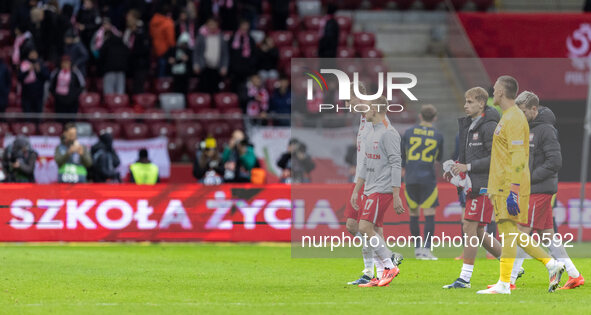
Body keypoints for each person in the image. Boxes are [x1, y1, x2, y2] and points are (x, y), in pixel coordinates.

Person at [477, 75, 565, 294]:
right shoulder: (508, 117)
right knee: (510, 234)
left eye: (495, 88)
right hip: (502, 184)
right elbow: (502, 156)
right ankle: (546, 267)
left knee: (509, 233)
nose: (493, 91)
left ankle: (508, 282)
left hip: (510, 185)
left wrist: (513, 190)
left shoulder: (514, 118)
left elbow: (518, 157)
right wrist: (491, 185)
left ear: (502, 92)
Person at [512, 91, 584, 290]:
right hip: (533, 188)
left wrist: (528, 179)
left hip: (539, 189)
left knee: (522, 232)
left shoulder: (546, 130)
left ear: (534, 109)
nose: (520, 115)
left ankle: (509, 281)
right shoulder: (528, 127)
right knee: (546, 235)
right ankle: (575, 275)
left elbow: (555, 162)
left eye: (523, 111)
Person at [443, 87, 503, 289]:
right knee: (477, 231)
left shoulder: (489, 126)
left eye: (469, 102)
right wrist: (456, 168)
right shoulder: (470, 125)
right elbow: (470, 156)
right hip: (473, 183)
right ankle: (510, 265)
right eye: (465, 101)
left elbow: (496, 157)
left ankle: (464, 279)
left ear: (481, 103)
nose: (465, 105)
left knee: (469, 225)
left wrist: (466, 167)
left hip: (485, 184)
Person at [350, 95, 405, 288]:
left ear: (375, 109)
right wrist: (357, 190)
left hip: (382, 188)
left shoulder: (389, 133)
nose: (365, 109)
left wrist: (396, 194)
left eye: (368, 107)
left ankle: (390, 266)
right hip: (369, 187)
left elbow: (396, 164)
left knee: (364, 228)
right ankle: (381, 274)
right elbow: (365, 163)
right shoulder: (371, 131)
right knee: (376, 231)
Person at [401, 104, 444, 260]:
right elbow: (438, 159)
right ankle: (426, 250)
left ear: (420, 116)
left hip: (410, 177)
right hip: (428, 178)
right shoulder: (438, 135)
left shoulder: (408, 132)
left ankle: (417, 249)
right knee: (429, 214)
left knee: (413, 213)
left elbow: (402, 156)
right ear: (435, 118)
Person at [193, 18, 228, 94]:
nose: (212, 26)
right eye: (210, 24)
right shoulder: (201, 36)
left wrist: (224, 66)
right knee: (203, 89)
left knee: (215, 90)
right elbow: (196, 52)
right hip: (204, 67)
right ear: (207, 25)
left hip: (217, 67)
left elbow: (225, 54)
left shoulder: (221, 37)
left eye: (214, 24)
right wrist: (196, 64)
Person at [123, 9, 151, 94]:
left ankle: (138, 105)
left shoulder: (142, 30)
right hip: (130, 63)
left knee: (138, 87)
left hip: (140, 64)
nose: (127, 18)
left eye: (129, 16)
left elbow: (145, 48)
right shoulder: (128, 30)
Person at [49, 55, 85, 121]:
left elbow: (81, 86)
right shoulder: (56, 72)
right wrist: (57, 96)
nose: (65, 64)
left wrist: (73, 96)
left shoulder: (75, 72)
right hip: (59, 101)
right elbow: (51, 86)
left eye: (67, 63)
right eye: (64, 62)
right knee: (60, 121)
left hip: (72, 102)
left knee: (71, 122)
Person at [18, 49, 49, 120]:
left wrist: (39, 70)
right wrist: (28, 71)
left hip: (38, 95)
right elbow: (19, 78)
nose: (33, 55)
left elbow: (47, 77)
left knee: (38, 116)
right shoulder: (24, 64)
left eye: (34, 53)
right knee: (27, 116)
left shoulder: (41, 64)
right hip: (26, 94)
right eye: (31, 53)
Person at [229, 19, 256, 90]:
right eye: (243, 25)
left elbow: (254, 55)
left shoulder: (251, 39)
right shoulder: (233, 38)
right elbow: (229, 53)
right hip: (234, 71)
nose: (245, 27)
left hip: (246, 71)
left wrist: (250, 66)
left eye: (246, 25)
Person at [99, 30, 129, 95]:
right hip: (121, 71)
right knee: (120, 95)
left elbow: (101, 58)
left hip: (109, 71)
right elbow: (128, 55)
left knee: (109, 95)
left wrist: (101, 71)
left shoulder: (106, 44)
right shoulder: (122, 43)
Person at [150, 4, 176, 77]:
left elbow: (151, 35)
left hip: (154, 50)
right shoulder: (168, 22)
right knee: (163, 77)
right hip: (165, 51)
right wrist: (172, 52)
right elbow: (171, 40)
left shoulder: (153, 21)